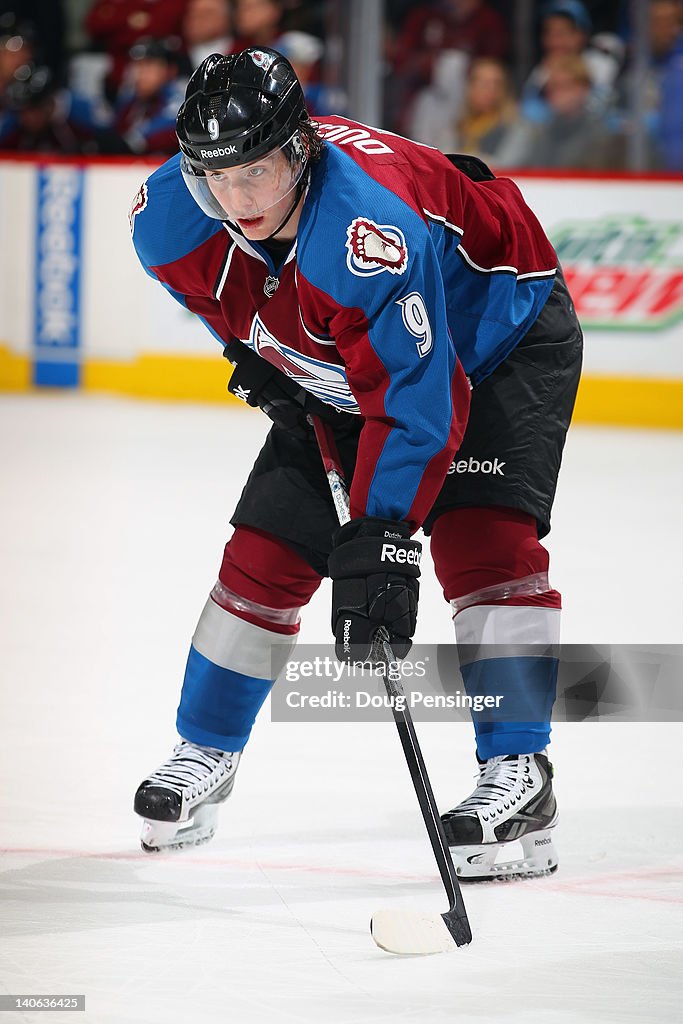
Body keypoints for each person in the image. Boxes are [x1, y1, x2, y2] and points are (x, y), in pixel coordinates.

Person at [130, 48, 583, 881]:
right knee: (267, 551)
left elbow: (418, 398)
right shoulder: (167, 217)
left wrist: (384, 540)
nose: (238, 203)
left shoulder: (364, 233)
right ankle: (204, 752)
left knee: (481, 545)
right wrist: (262, 351)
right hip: (351, 349)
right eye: (217, 180)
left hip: (496, 330)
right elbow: (219, 300)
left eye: (257, 175)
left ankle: (518, 774)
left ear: (299, 150)